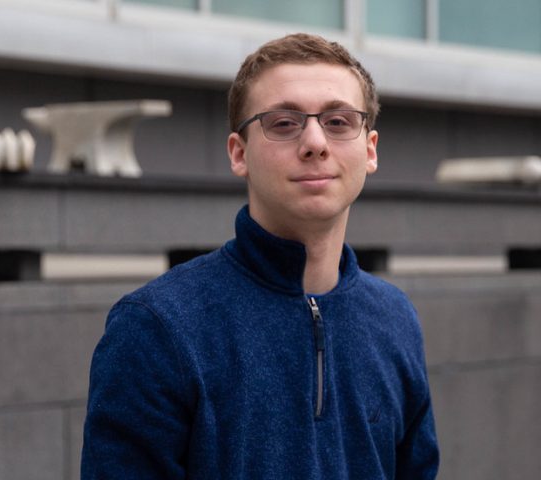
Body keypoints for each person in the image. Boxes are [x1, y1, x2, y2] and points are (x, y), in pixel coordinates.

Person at [81, 33, 439, 479]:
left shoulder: (394, 319)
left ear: (370, 150)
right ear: (239, 153)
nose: (315, 142)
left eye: (339, 121)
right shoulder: (157, 327)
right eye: (284, 123)